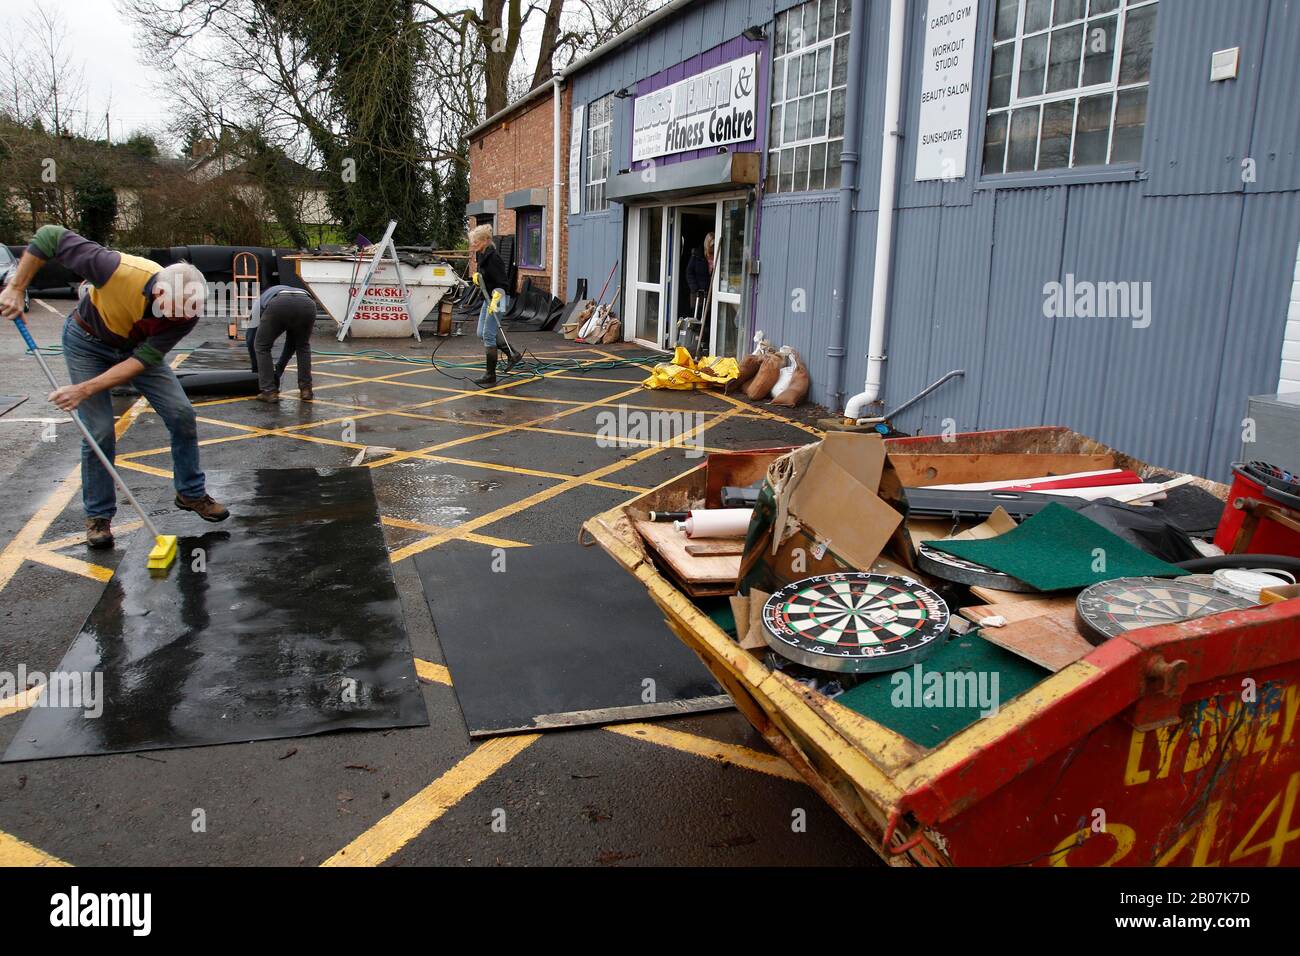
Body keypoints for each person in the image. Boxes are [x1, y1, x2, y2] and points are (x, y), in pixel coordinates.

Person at [0, 225, 229, 549]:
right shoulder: (115, 269)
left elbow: (139, 363)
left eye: (189, 312)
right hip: (87, 341)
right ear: (160, 294)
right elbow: (49, 236)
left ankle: (190, 494)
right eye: (176, 310)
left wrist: (84, 389)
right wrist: (16, 286)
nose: (181, 318)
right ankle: (99, 518)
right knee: (100, 431)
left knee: (181, 414)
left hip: (135, 350)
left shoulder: (187, 312)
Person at [466, 224, 522, 386]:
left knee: (488, 335)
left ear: (486, 240)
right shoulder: (481, 255)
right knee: (480, 333)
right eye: (473, 241)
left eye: (476, 241)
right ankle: (512, 354)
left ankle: (490, 375)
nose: (473, 244)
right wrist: (477, 278)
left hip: (500, 298)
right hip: (488, 297)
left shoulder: (494, 258)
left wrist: (497, 298)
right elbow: (485, 277)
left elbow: (503, 283)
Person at [250, 284, 316, 403]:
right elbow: (291, 345)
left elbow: (251, 338)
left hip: (279, 305)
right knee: (302, 346)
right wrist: (278, 370)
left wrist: (256, 370)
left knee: (262, 346)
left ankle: (269, 391)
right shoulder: (277, 292)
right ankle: (306, 390)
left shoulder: (258, 302)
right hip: (307, 303)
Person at [685, 245, 711, 312]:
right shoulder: (696, 256)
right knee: (696, 315)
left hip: (709, 292)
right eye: (711, 245)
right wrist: (694, 287)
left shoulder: (714, 256)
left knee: (709, 315)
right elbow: (689, 272)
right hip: (698, 293)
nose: (713, 247)